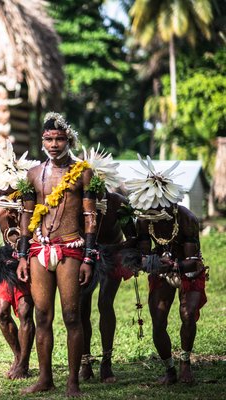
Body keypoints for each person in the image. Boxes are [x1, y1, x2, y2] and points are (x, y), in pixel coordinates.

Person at [16, 112, 95, 396]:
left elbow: (90, 216)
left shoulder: (83, 172)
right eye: (49, 139)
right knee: (42, 315)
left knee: (72, 315)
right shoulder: (34, 174)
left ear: (69, 140)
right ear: (42, 141)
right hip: (39, 249)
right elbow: (26, 216)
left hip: (71, 248)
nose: (54, 144)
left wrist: (88, 257)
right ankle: (45, 378)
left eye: (59, 139)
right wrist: (23, 255)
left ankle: (72, 381)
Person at [125, 156, 207, 385]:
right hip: (161, 271)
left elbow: (193, 260)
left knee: (188, 315)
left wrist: (176, 265)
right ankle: (170, 370)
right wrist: (148, 262)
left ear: (170, 201)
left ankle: (185, 363)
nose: (156, 210)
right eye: (151, 206)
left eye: (160, 206)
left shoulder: (187, 219)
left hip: (188, 270)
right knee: (158, 320)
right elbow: (143, 254)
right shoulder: (144, 221)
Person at [0, 139, 39, 379]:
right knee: (1, 311)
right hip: (7, 262)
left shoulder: (30, 201)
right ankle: (18, 356)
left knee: (24, 311)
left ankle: (23, 364)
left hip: (30, 258)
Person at [75, 146, 137, 383]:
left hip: (112, 258)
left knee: (105, 303)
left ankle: (107, 363)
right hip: (84, 258)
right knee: (82, 308)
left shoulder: (118, 203)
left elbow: (132, 237)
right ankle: (84, 362)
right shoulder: (77, 203)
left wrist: (114, 249)